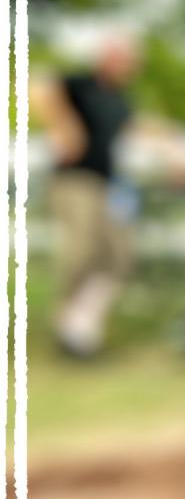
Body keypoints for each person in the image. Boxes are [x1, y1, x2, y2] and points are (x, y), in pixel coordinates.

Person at [32, 35, 138, 358]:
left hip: (106, 186)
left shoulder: (120, 99)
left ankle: (80, 325)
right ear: (107, 57)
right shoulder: (80, 83)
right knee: (82, 250)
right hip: (74, 180)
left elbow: (136, 129)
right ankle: (69, 331)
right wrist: (65, 126)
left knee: (118, 257)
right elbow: (36, 86)